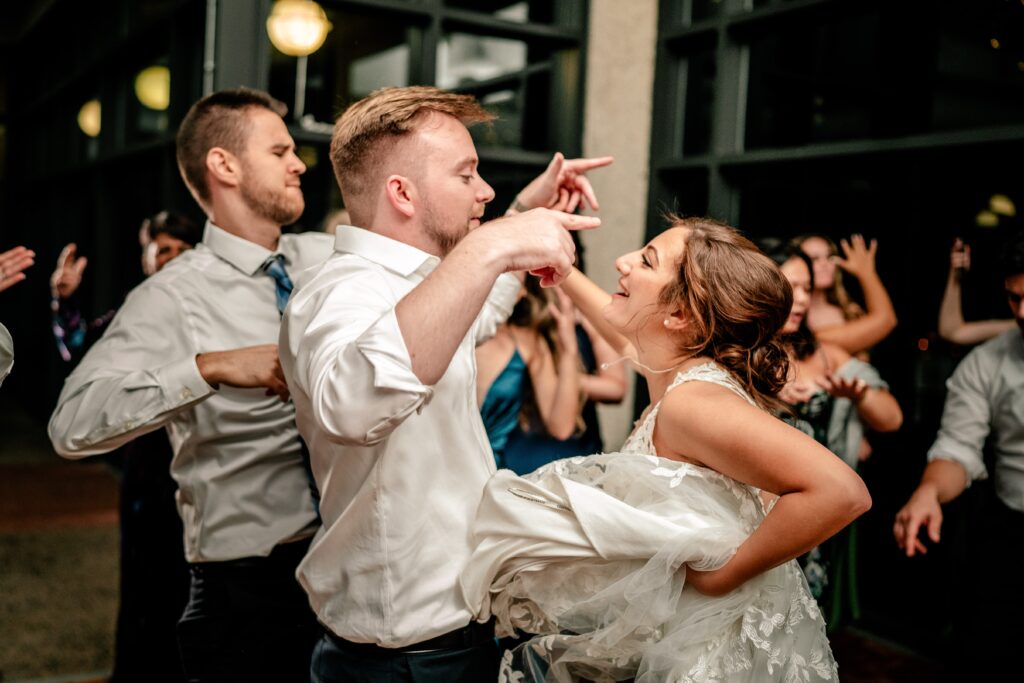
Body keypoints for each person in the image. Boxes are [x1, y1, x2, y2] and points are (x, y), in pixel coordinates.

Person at [277, 84, 609, 683]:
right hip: (401, 659)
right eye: (466, 174)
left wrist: (509, 225)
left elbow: (472, 317)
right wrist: (490, 244)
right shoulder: (341, 290)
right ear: (401, 192)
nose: (483, 190)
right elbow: (351, 407)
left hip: (454, 636)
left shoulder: (418, 284)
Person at [460, 216, 872, 682]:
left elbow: (841, 491)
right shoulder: (673, 370)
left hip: (717, 648)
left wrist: (725, 576)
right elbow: (624, 332)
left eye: (646, 260)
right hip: (686, 635)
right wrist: (565, 276)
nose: (623, 262)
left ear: (679, 317)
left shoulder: (692, 402)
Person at [49, 88, 335, 682]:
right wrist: (209, 367)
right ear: (224, 166)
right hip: (247, 597)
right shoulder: (169, 297)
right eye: (280, 150)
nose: (299, 163)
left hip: (344, 573)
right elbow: (70, 425)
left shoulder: (327, 258)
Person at [50, 211, 201, 683]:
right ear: (145, 258)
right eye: (160, 249)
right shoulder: (135, 314)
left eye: (178, 248)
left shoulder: (217, 309)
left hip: (206, 471)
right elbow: (80, 348)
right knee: (145, 582)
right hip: (149, 473)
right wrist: (65, 302)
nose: (169, 257)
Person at [893, 229, 1024, 679]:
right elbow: (958, 446)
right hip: (1013, 529)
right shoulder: (987, 363)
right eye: (1014, 299)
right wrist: (929, 490)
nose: (1023, 313)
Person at [771, 244, 902, 630]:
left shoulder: (827, 352)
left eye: (808, 288)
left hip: (817, 516)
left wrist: (859, 395)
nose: (802, 298)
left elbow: (892, 419)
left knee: (806, 622)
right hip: (760, 514)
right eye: (792, 285)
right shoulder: (740, 354)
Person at [51, 212, 201, 363]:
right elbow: (82, 349)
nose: (176, 258)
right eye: (164, 250)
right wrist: (65, 300)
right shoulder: (134, 307)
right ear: (145, 262)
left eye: (183, 250)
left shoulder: (211, 299)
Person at [476, 279, 582, 468]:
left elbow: (561, 426)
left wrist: (569, 350)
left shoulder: (527, 342)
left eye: (512, 276)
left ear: (522, 292)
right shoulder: (445, 330)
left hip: (489, 473)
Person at [793, 233, 897, 357]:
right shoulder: (795, 322)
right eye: (814, 259)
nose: (825, 263)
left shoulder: (848, 308)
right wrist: (867, 273)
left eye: (830, 256)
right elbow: (886, 320)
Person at [938, 237, 1014, 346]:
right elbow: (952, 332)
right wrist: (955, 276)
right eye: (1015, 298)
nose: (1022, 311)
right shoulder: (1016, 328)